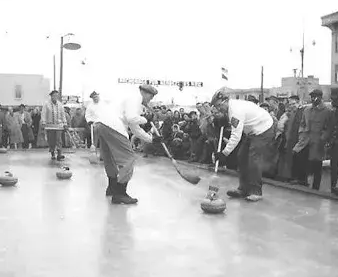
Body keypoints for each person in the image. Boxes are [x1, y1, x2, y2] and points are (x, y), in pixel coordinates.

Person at [96, 84, 162, 205]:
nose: (149, 100)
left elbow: (134, 128)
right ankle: (120, 193)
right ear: (145, 93)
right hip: (113, 125)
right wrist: (146, 119)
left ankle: (112, 187)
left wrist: (151, 139)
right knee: (128, 159)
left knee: (109, 158)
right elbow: (132, 119)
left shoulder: (127, 99)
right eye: (150, 97)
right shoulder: (135, 98)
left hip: (102, 124)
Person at [211, 88, 274, 201]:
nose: (218, 108)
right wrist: (224, 120)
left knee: (253, 159)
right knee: (242, 156)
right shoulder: (231, 108)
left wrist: (224, 154)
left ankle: (256, 192)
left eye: (219, 105)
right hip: (251, 131)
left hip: (264, 129)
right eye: (216, 106)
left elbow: (236, 136)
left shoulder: (235, 111)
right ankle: (243, 189)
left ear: (225, 101)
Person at [41, 90, 68, 161]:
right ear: (51, 96)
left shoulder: (60, 104)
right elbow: (43, 114)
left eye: (56, 96)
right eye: (54, 96)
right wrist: (43, 123)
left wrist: (65, 123)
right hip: (49, 125)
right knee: (51, 140)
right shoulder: (46, 104)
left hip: (59, 125)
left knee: (59, 139)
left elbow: (63, 115)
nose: (55, 97)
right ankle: (52, 153)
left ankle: (59, 154)